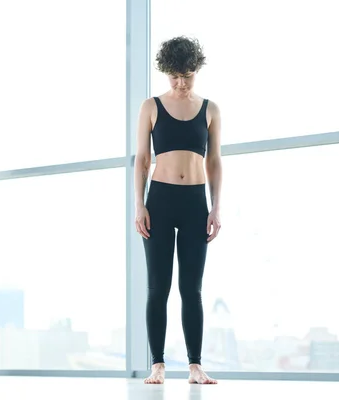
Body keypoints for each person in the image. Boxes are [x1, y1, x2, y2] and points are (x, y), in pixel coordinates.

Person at [134, 36, 222, 385]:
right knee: (159, 286)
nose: (181, 83)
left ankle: (195, 365)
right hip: (159, 200)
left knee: (192, 288)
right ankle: (157, 364)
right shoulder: (151, 106)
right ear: (165, 72)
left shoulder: (210, 109)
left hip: (194, 203)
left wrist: (215, 208)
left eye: (187, 75)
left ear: (196, 70)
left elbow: (214, 161)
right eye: (174, 76)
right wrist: (139, 204)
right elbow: (142, 160)